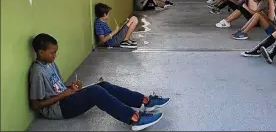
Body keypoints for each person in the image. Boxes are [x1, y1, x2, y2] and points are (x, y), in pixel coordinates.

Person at [29, 33, 170, 131]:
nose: (55, 55)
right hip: (58, 109)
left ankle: (144, 101)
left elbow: (56, 88)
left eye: (55, 52)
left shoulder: (49, 64)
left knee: (102, 85)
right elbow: (36, 105)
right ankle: (134, 119)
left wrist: (70, 87)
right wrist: (64, 95)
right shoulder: (37, 72)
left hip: (65, 99)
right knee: (95, 92)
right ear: (41, 52)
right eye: (52, 53)